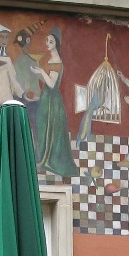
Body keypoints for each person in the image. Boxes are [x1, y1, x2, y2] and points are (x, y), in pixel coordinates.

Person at [31, 28, 78, 178]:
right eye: (47, 41)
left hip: (52, 100)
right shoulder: (51, 58)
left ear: (56, 43)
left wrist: (41, 72)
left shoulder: (56, 61)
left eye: (50, 41)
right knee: (43, 127)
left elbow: (51, 84)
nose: (47, 43)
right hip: (47, 98)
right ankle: (42, 158)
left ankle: (48, 160)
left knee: (49, 129)